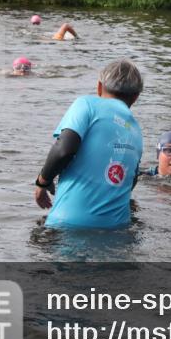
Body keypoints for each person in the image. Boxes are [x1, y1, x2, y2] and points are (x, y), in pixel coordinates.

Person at [34, 59, 144, 229]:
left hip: (69, 224)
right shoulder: (136, 130)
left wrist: (43, 181)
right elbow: (131, 181)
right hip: (118, 229)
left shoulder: (86, 104)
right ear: (136, 97)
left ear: (99, 87)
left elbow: (64, 149)